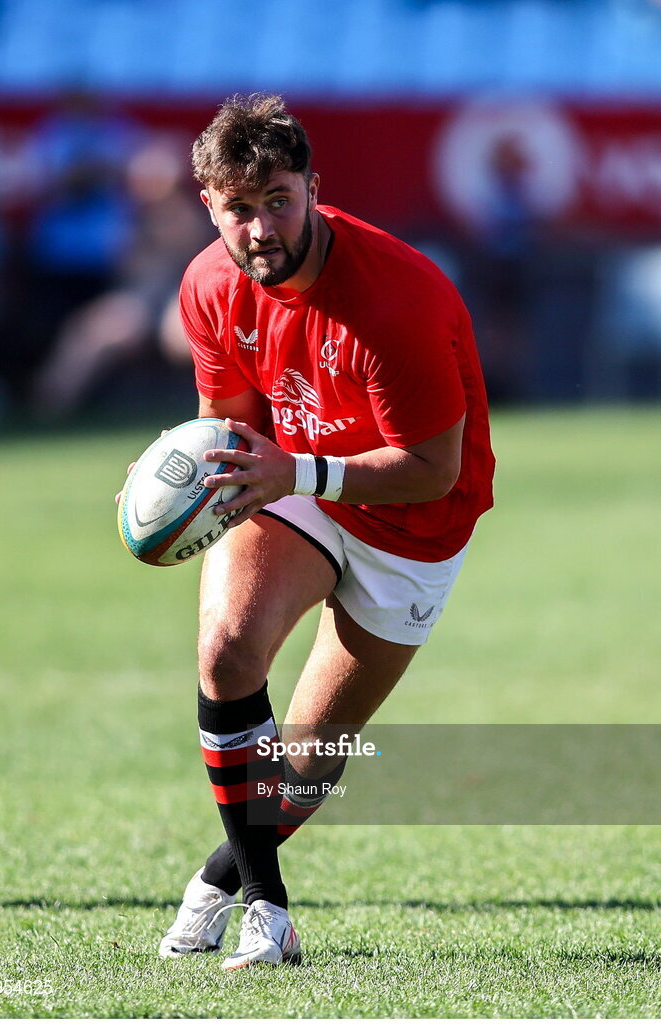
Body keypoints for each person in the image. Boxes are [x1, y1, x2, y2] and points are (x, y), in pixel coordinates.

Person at [140, 94, 495, 969]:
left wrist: (294, 471)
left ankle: (221, 877)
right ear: (210, 206)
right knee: (227, 652)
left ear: (312, 190)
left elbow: (430, 470)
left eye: (279, 201)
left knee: (305, 762)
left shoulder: (398, 299)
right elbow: (227, 423)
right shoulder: (209, 286)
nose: (260, 228)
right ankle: (270, 909)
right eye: (238, 208)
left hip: (412, 526)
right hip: (292, 485)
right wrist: (193, 487)